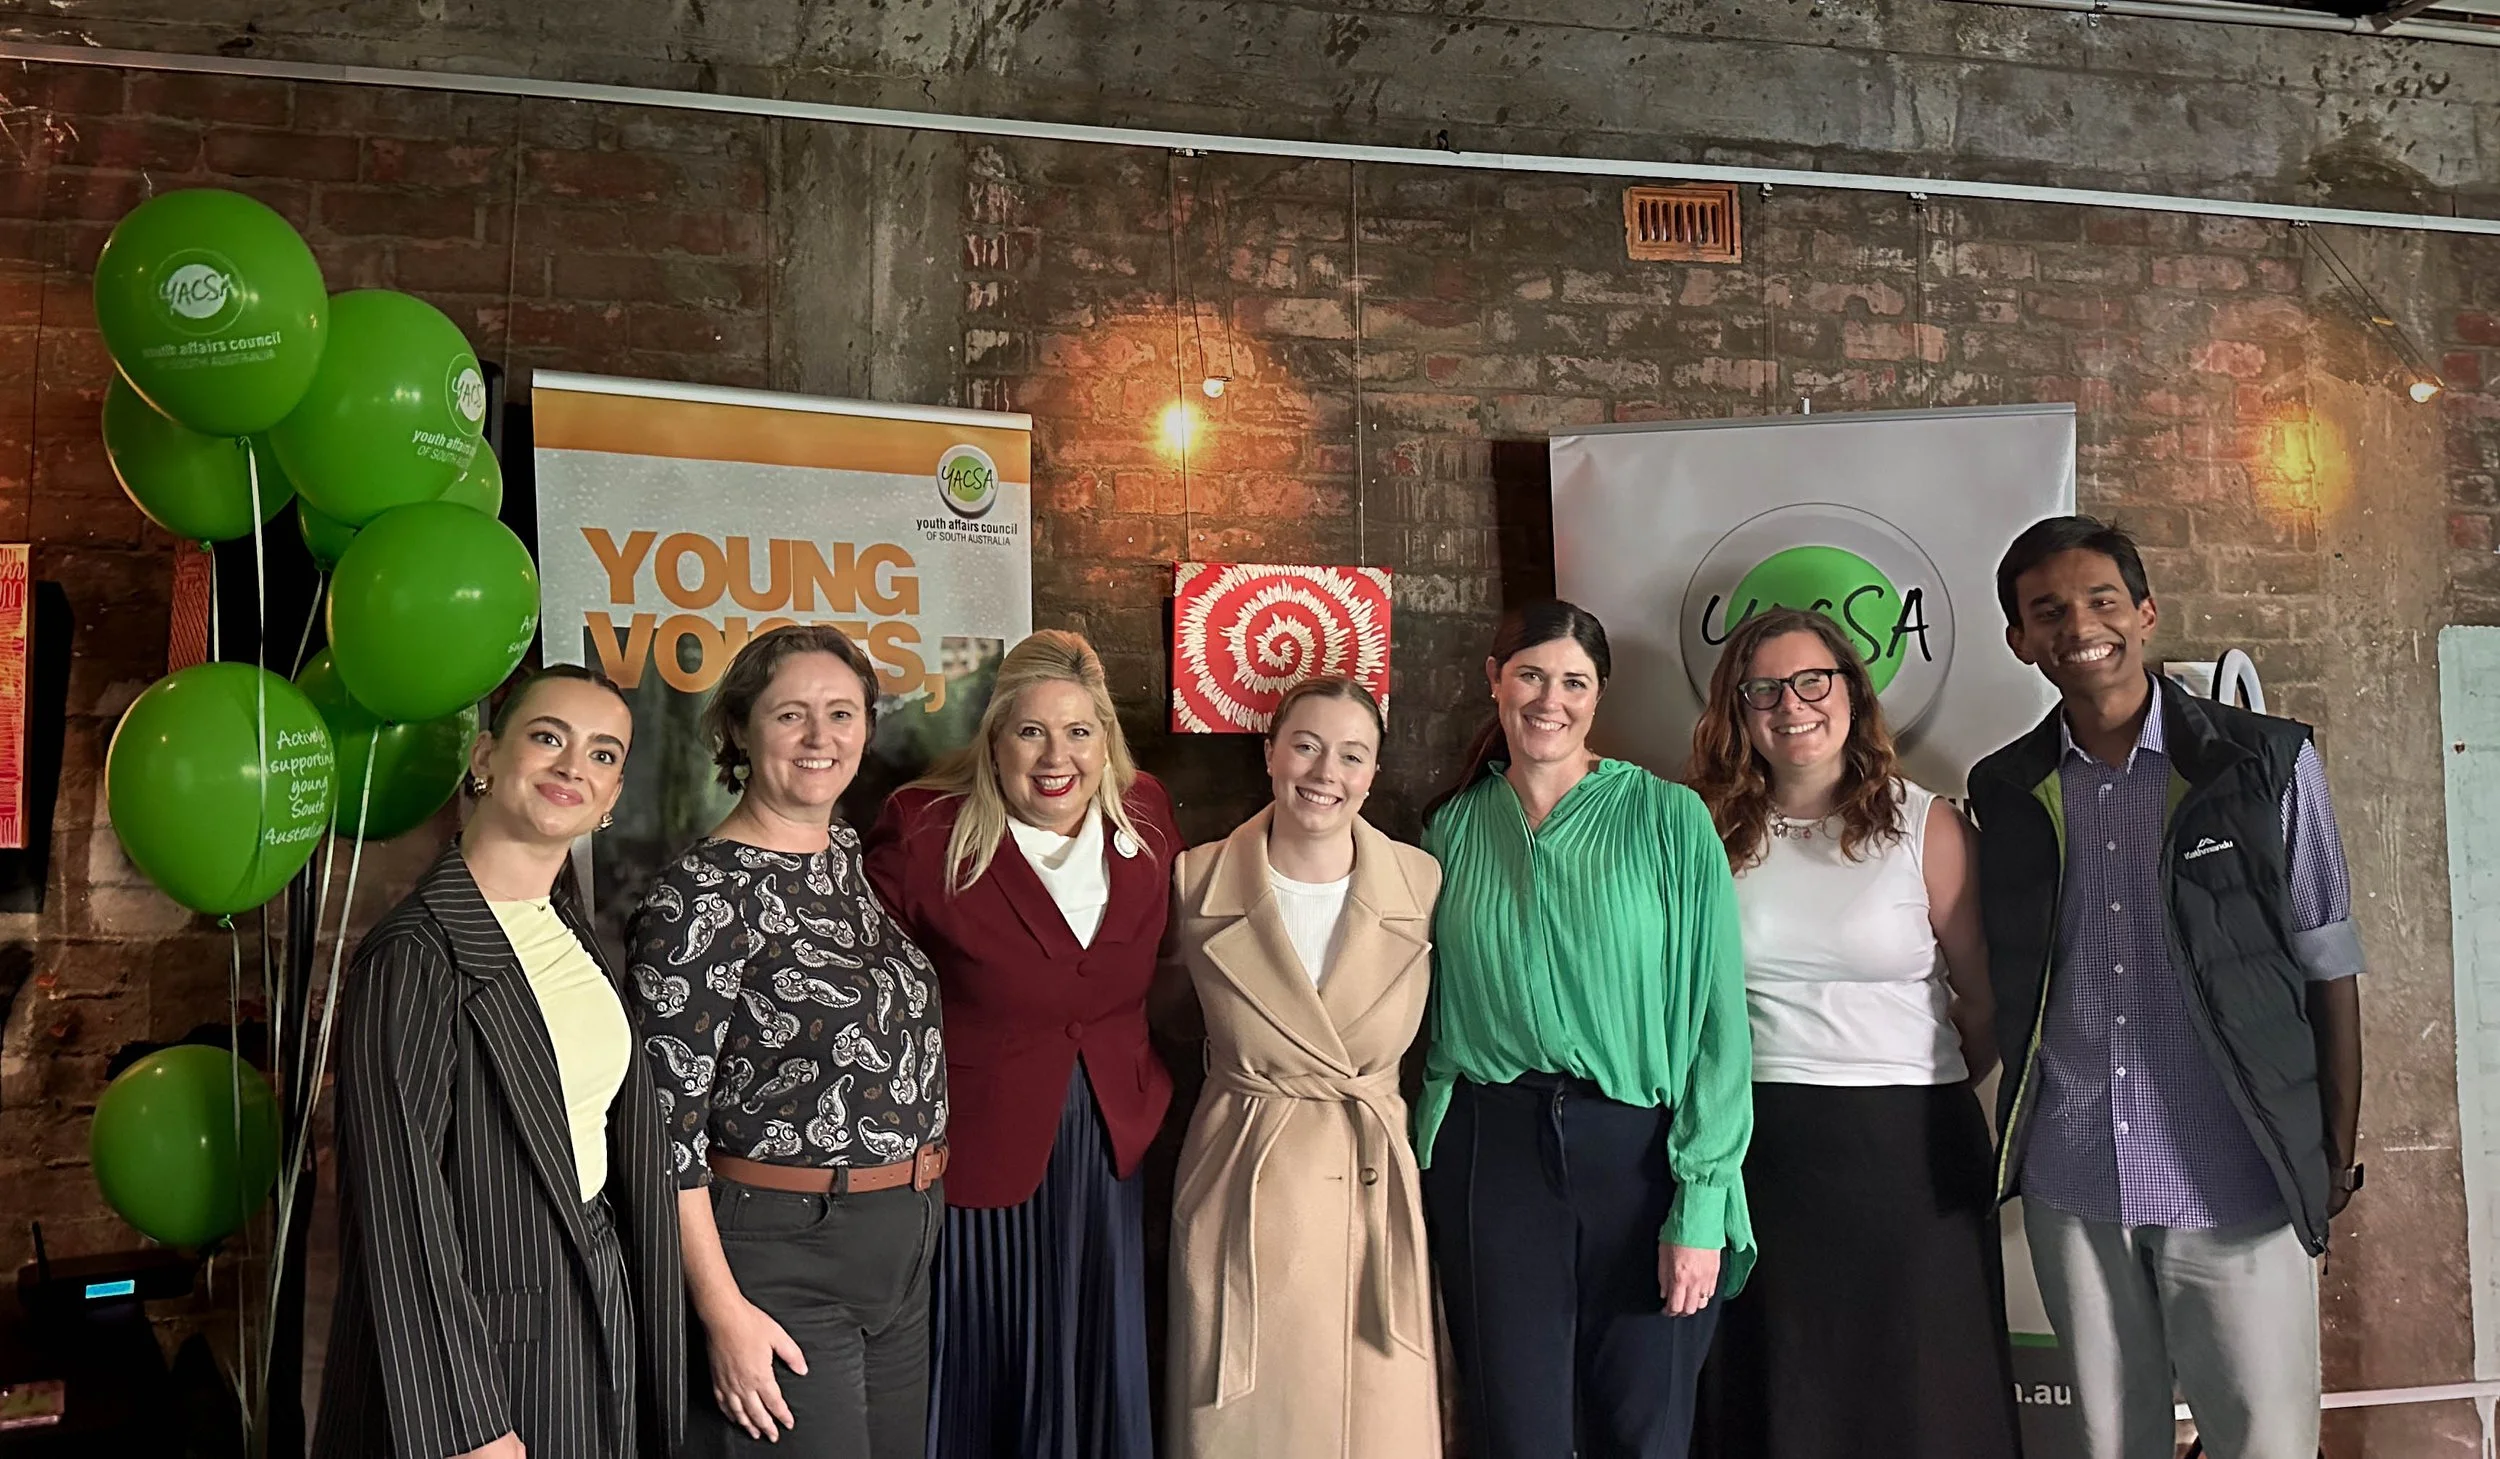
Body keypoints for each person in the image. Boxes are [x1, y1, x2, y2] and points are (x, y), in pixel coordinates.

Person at [1970, 515, 2365, 1459]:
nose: (2079, 625)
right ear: (2020, 640)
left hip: (2235, 1175)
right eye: (2047, 610)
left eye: (2102, 599)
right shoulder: (2005, 788)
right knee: (2111, 1441)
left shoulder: (2264, 761)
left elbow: (2329, 963)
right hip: (2076, 1179)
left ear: (2145, 613)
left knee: (2263, 1439)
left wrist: (2334, 1151)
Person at [314, 665, 684, 1459]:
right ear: (485, 756)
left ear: (613, 796)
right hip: (486, 1357)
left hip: (594, 1313)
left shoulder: (570, 931)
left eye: (602, 754)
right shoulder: (414, 954)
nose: (572, 767)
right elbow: (397, 1204)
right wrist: (467, 1425)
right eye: (548, 737)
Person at [1416, 599, 1751, 1459]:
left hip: (1642, 1160)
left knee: (1641, 1433)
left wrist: (1702, 1202)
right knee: (1513, 1431)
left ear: (1599, 696)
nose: (1548, 699)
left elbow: (1719, 1024)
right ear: (1495, 681)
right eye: (1530, 673)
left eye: (1573, 681)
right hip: (1492, 1157)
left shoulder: (1671, 821)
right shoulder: (1449, 832)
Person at [1683, 607, 2020, 1459]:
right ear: (1737, 708)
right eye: (1763, 689)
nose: (1790, 705)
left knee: (1922, 1393)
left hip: (1910, 1153)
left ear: (1850, 691)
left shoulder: (1928, 825)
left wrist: (1908, 1078)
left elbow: (1981, 1004)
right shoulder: (1701, 831)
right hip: (1758, 1149)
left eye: (1811, 681)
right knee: (1782, 1387)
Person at [625, 625, 948, 1458]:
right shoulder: (698, 897)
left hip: (901, 1247)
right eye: (791, 714)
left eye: (842, 713)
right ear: (738, 728)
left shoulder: (844, 856)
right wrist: (721, 1310)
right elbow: (666, 1136)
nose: (820, 738)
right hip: (780, 1258)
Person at [864, 629, 1179, 1459]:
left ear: (1104, 740)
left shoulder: (1145, 815)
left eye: (1079, 731)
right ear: (994, 740)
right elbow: (874, 996)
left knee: (1095, 1357)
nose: (1056, 756)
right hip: (980, 1145)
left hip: (1108, 1145)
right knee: (988, 1362)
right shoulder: (925, 827)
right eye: (1031, 731)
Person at [1161, 676, 1444, 1459]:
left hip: (1370, 1180)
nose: (1325, 772)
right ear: (1270, 752)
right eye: (1307, 745)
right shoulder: (1195, 880)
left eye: (1351, 755)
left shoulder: (1421, 884)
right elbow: (1157, 1017)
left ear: (1374, 772)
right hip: (1245, 1178)